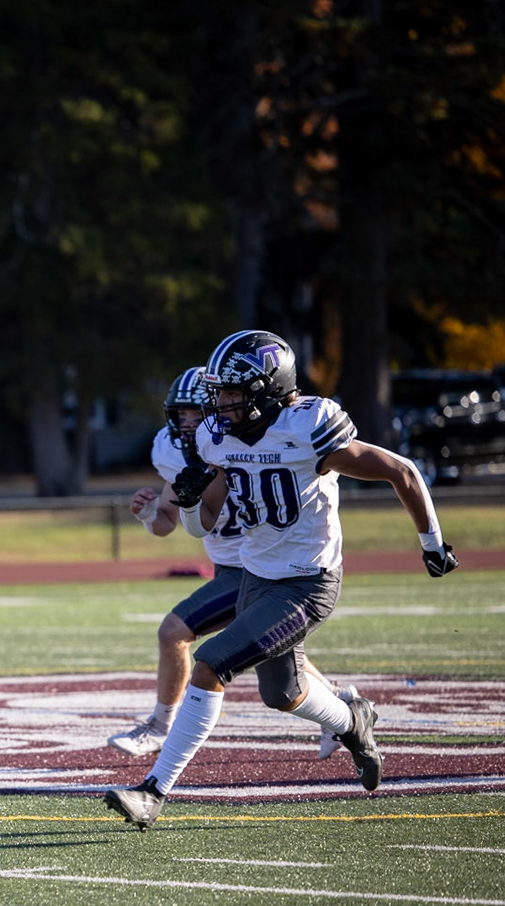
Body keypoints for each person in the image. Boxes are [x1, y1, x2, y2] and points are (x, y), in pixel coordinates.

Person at [105, 331, 458, 830]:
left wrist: (433, 543)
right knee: (282, 693)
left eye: (232, 393)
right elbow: (203, 523)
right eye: (219, 393)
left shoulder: (308, 428)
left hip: (308, 582)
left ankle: (153, 791)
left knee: (209, 664)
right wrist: (186, 501)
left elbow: (400, 472)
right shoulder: (220, 437)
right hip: (255, 576)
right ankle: (353, 719)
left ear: (267, 389)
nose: (221, 403)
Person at [109, 367, 351, 762]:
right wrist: (149, 511)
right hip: (230, 567)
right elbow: (167, 524)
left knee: (174, 632)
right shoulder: (174, 450)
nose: (187, 424)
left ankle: (159, 727)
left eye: (195, 414)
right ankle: (340, 704)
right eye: (180, 415)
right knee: (275, 656)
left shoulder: (242, 442)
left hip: (256, 566)